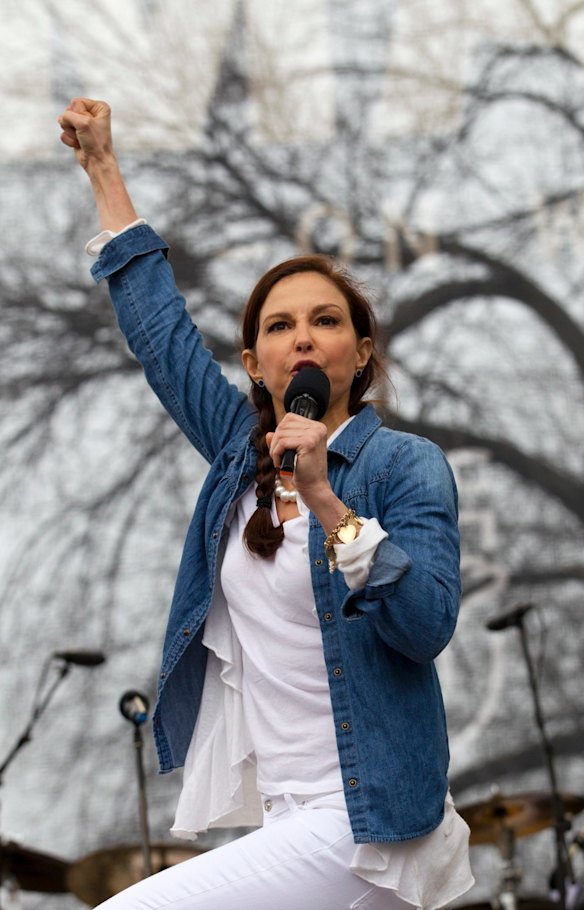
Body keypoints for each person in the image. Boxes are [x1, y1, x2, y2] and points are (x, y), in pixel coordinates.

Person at [58, 98, 474, 910]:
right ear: (255, 361)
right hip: (293, 821)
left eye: (326, 320)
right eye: (280, 326)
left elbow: (426, 625)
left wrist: (327, 503)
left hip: (370, 826)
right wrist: (104, 169)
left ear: (361, 351)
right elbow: (161, 334)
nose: (304, 337)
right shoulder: (236, 461)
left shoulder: (403, 466)